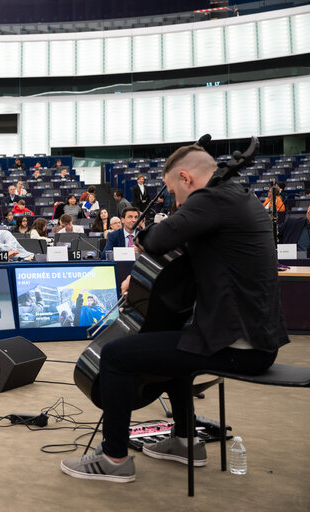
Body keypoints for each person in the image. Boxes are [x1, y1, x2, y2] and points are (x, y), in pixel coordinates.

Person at [60, 143, 288, 483]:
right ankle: (184, 440)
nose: (174, 200)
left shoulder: (211, 200)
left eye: (172, 191)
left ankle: (114, 458)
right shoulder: (240, 198)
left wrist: (149, 233)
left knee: (115, 355)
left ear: (185, 177)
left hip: (237, 346)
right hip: (256, 342)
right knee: (180, 346)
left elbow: (156, 238)